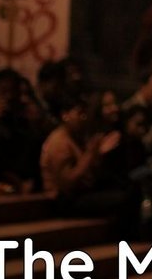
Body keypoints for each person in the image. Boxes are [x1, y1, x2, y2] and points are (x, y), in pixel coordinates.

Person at [40, 94, 132, 231]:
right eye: (79, 113)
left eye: (85, 113)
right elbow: (66, 183)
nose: (84, 118)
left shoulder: (76, 137)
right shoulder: (59, 142)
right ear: (65, 115)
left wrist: (98, 154)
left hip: (81, 193)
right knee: (123, 199)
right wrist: (90, 154)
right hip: (65, 200)